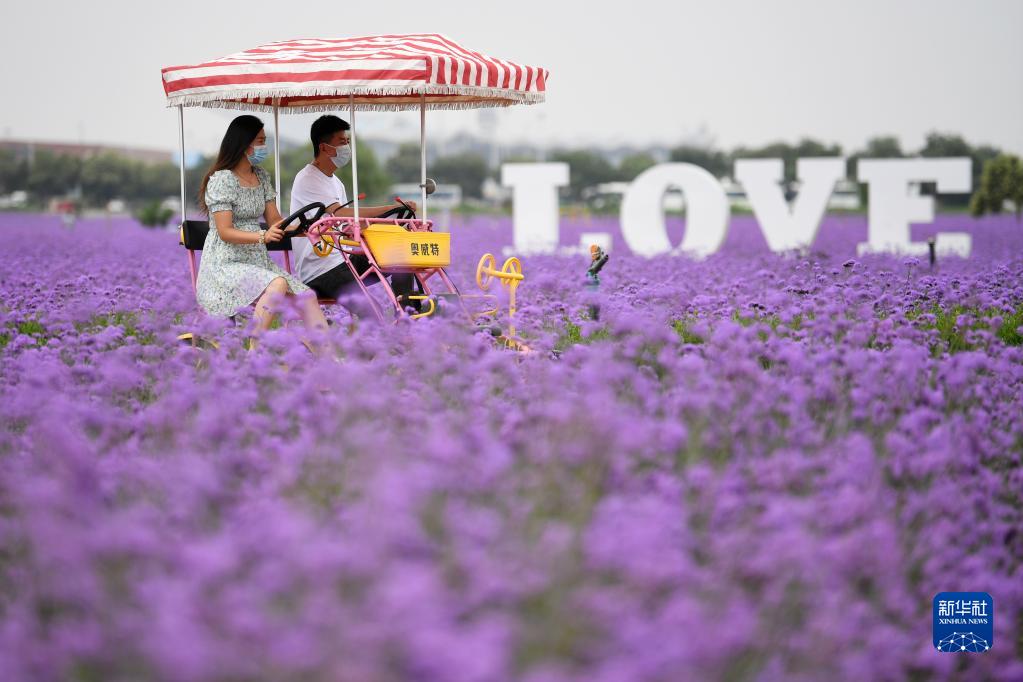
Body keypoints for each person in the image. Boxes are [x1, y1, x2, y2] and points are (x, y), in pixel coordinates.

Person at [195, 115, 327, 334]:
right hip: (225, 264)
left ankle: (327, 351)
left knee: (307, 296)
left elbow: (275, 220)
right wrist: (262, 236)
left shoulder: (261, 176)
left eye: (264, 141)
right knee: (278, 283)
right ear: (243, 143)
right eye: (260, 141)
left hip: (257, 262)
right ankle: (256, 348)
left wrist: (303, 228)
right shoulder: (222, 180)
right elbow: (225, 231)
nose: (264, 147)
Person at [289, 115, 418, 313]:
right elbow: (341, 213)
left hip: (343, 259)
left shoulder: (336, 183)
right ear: (324, 147)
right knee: (372, 310)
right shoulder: (308, 178)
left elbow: (348, 226)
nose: (347, 147)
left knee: (401, 258)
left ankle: (407, 315)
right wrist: (389, 209)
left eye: (348, 141)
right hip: (321, 268)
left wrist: (393, 223)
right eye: (342, 142)